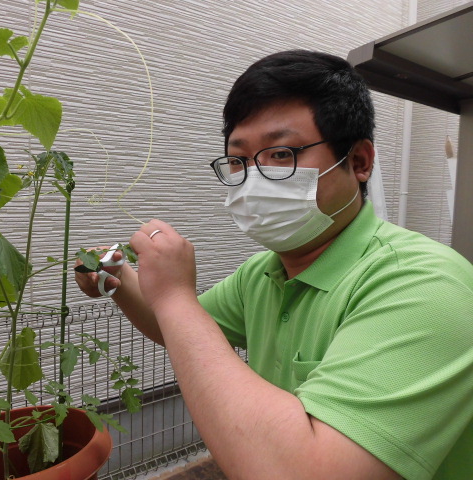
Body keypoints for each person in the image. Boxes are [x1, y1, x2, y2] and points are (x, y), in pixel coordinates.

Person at [75, 50, 473, 480]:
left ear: (359, 161)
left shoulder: (424, 285)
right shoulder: (263, 273)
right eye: (238, 160)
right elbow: (178, 328)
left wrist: (175, 296)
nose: (253, 179)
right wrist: (119, 279)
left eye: (281, 154)